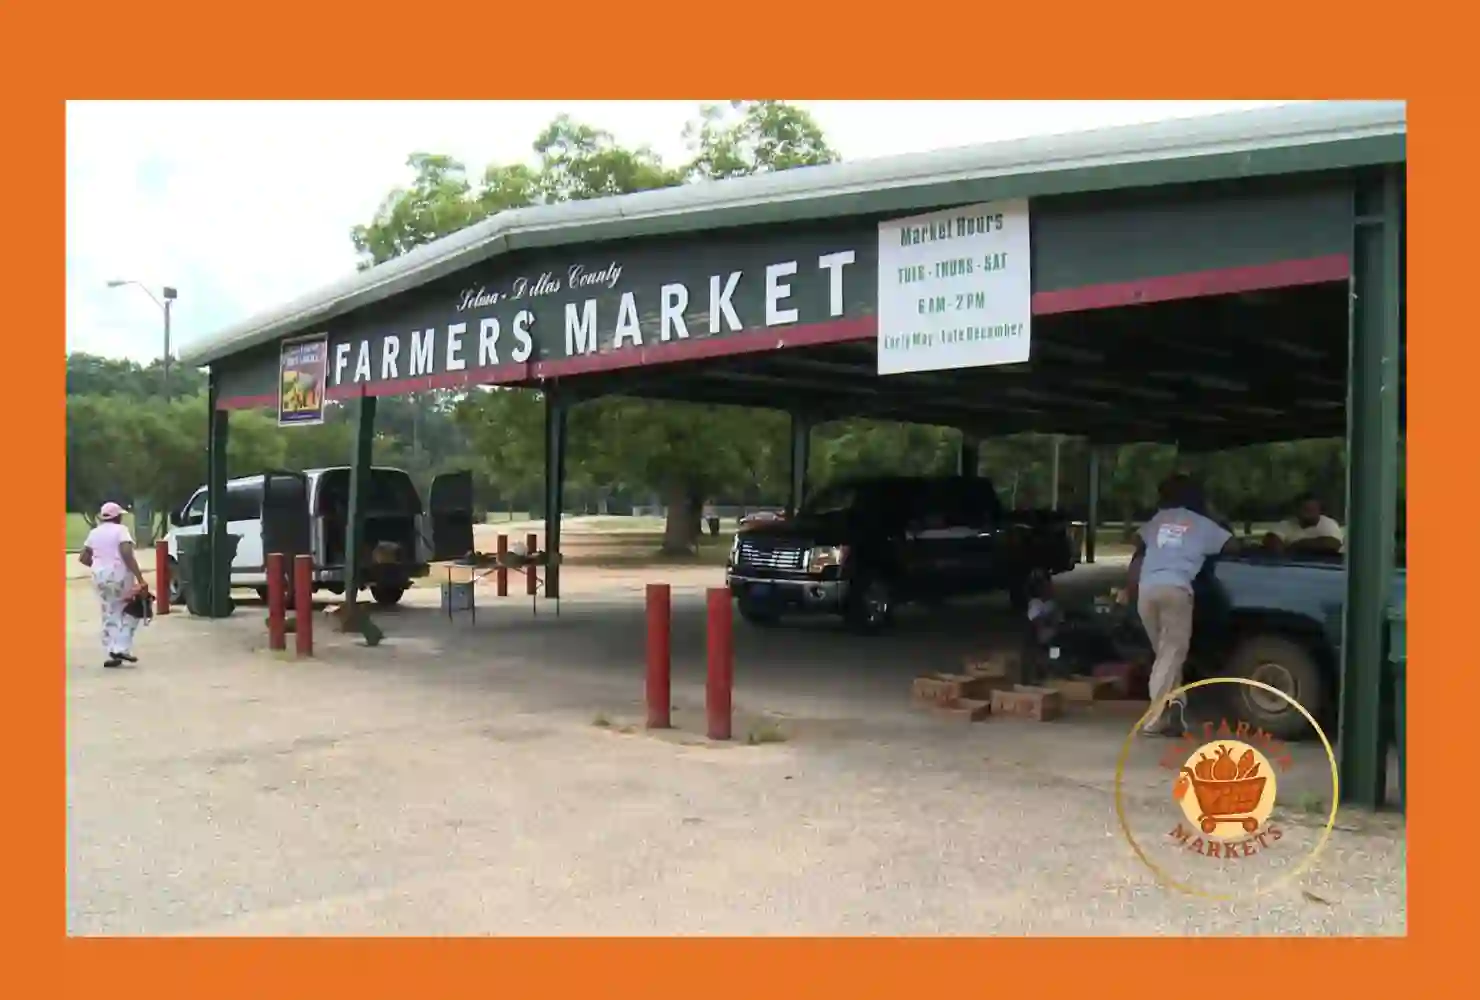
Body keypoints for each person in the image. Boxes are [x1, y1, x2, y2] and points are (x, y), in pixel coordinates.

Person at [1126, 475, 1240, 737]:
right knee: (1170, 654)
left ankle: (1175, 707)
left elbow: (1137, 541)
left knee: (1165, 655)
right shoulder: (1203, 524)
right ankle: (1154, 720)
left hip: (1147, 590)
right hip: (1176, 590)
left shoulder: (1159, 519)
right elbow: (1232, 545)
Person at [78, 502, 149, 668]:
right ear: (118, 516)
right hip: (119, 575)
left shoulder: (94, 533)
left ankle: (112, 649)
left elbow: (83, 557)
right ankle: (121, 647)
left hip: (99, 577)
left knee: (109, 611)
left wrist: (98, 566)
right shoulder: (121, 530)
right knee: (132, 609)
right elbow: (126, 553)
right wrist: (139, 577)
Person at [1263, 493, 1344, 555]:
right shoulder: (1287, 524)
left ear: (1320, 510)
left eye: (1312, 510)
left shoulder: (1329, 524)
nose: (1308, 514)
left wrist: (1296, 546)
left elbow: (1333, 544)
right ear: (1296, 510)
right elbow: (1271, 541)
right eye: (1305, 509)